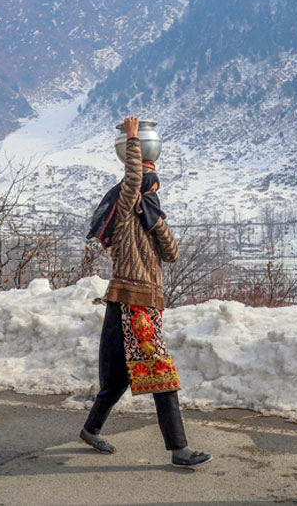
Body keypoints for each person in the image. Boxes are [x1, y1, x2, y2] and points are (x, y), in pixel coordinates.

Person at [78, 116, 211, 469]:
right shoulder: (123, 216)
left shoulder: (148, 220)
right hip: (131, 305)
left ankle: (91, 429)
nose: (152, 189)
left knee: (116, 379)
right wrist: (133, 139)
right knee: (161, 373)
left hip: (139, 305)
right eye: (148, 186)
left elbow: (173, 253)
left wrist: (156, 220)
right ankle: (180, 449)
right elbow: (133, 179)